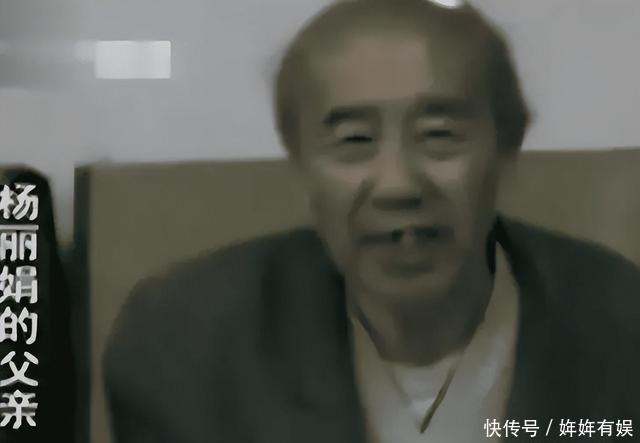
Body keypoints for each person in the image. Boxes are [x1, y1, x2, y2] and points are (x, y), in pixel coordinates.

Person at [103, 1, 640, 442]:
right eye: (354, 140)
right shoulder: (188, 344)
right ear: (299, 161)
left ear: (506, 148)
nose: (399, 183)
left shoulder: (621, 326)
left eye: (439, 134)